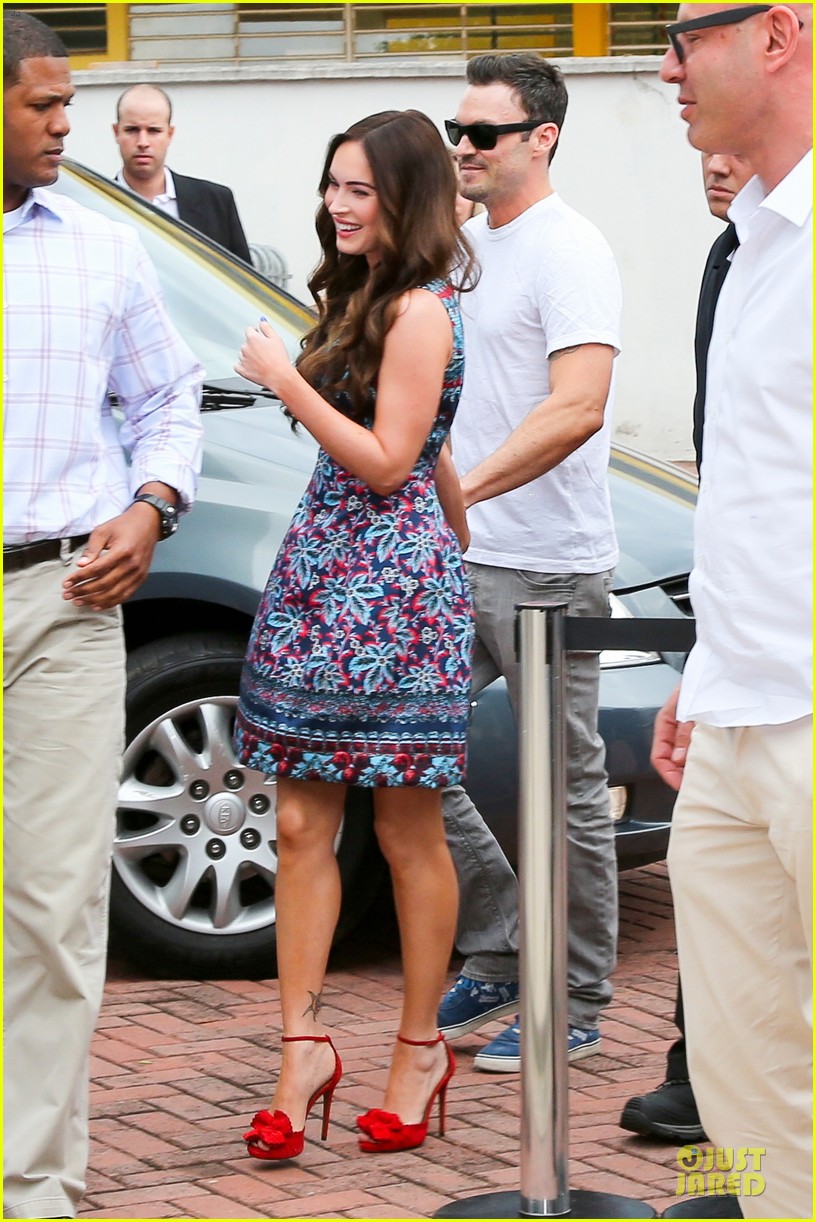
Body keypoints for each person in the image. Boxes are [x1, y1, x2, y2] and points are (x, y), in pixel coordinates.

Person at [231, 109, 475, 1159]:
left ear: (404, 198)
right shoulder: (362, 298)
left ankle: (419, 1050)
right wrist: (456, 528)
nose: (337, 204)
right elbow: (434, 453)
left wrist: (285, 380)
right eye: (332, 185)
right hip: (323, 577)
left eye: (359, 189)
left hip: (390, 598)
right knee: (298, 822)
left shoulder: (420, 309)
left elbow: (389, 461)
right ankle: (303, 1050)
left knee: (406, 829)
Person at [3, 12, 203, 1220]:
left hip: (63, 599)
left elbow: (171, 395)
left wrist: (153, 501)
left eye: (68, 103)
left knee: (53, 905)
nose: (66, 125)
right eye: (42, 104)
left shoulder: (101, 247)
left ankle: (31, 1187)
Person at [654, 6, 811, 1218]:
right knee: (737, 1071)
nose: (664, 67)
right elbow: (755, 482)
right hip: (736, 712)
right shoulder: (752, 243)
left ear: (778, 36)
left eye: (683, 36)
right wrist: (705, 667)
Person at [437, 51, 622, 1073]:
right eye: (455, 130)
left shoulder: (572, 248)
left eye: (483, 133)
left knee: (566, 790)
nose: (463, 147)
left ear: (541, 139)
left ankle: (578, 997)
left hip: (548, 565)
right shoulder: (463, 247)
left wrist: (463, 491)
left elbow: (578, 406)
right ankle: (504, 936)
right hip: (459, 558)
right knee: (393, 741)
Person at [620, 150, 751, 1145]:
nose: (713, 166)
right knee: (718, 885)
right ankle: (701, 1082)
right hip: (739, 627)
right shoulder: (731, 256)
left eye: (732, 153)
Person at [113, 82, 252, 262]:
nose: (143, 142)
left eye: (154, 131)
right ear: (116, 132)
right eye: (132, 130)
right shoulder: (93, 207)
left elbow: (240, 276)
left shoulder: (215, 203)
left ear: (170, 134)